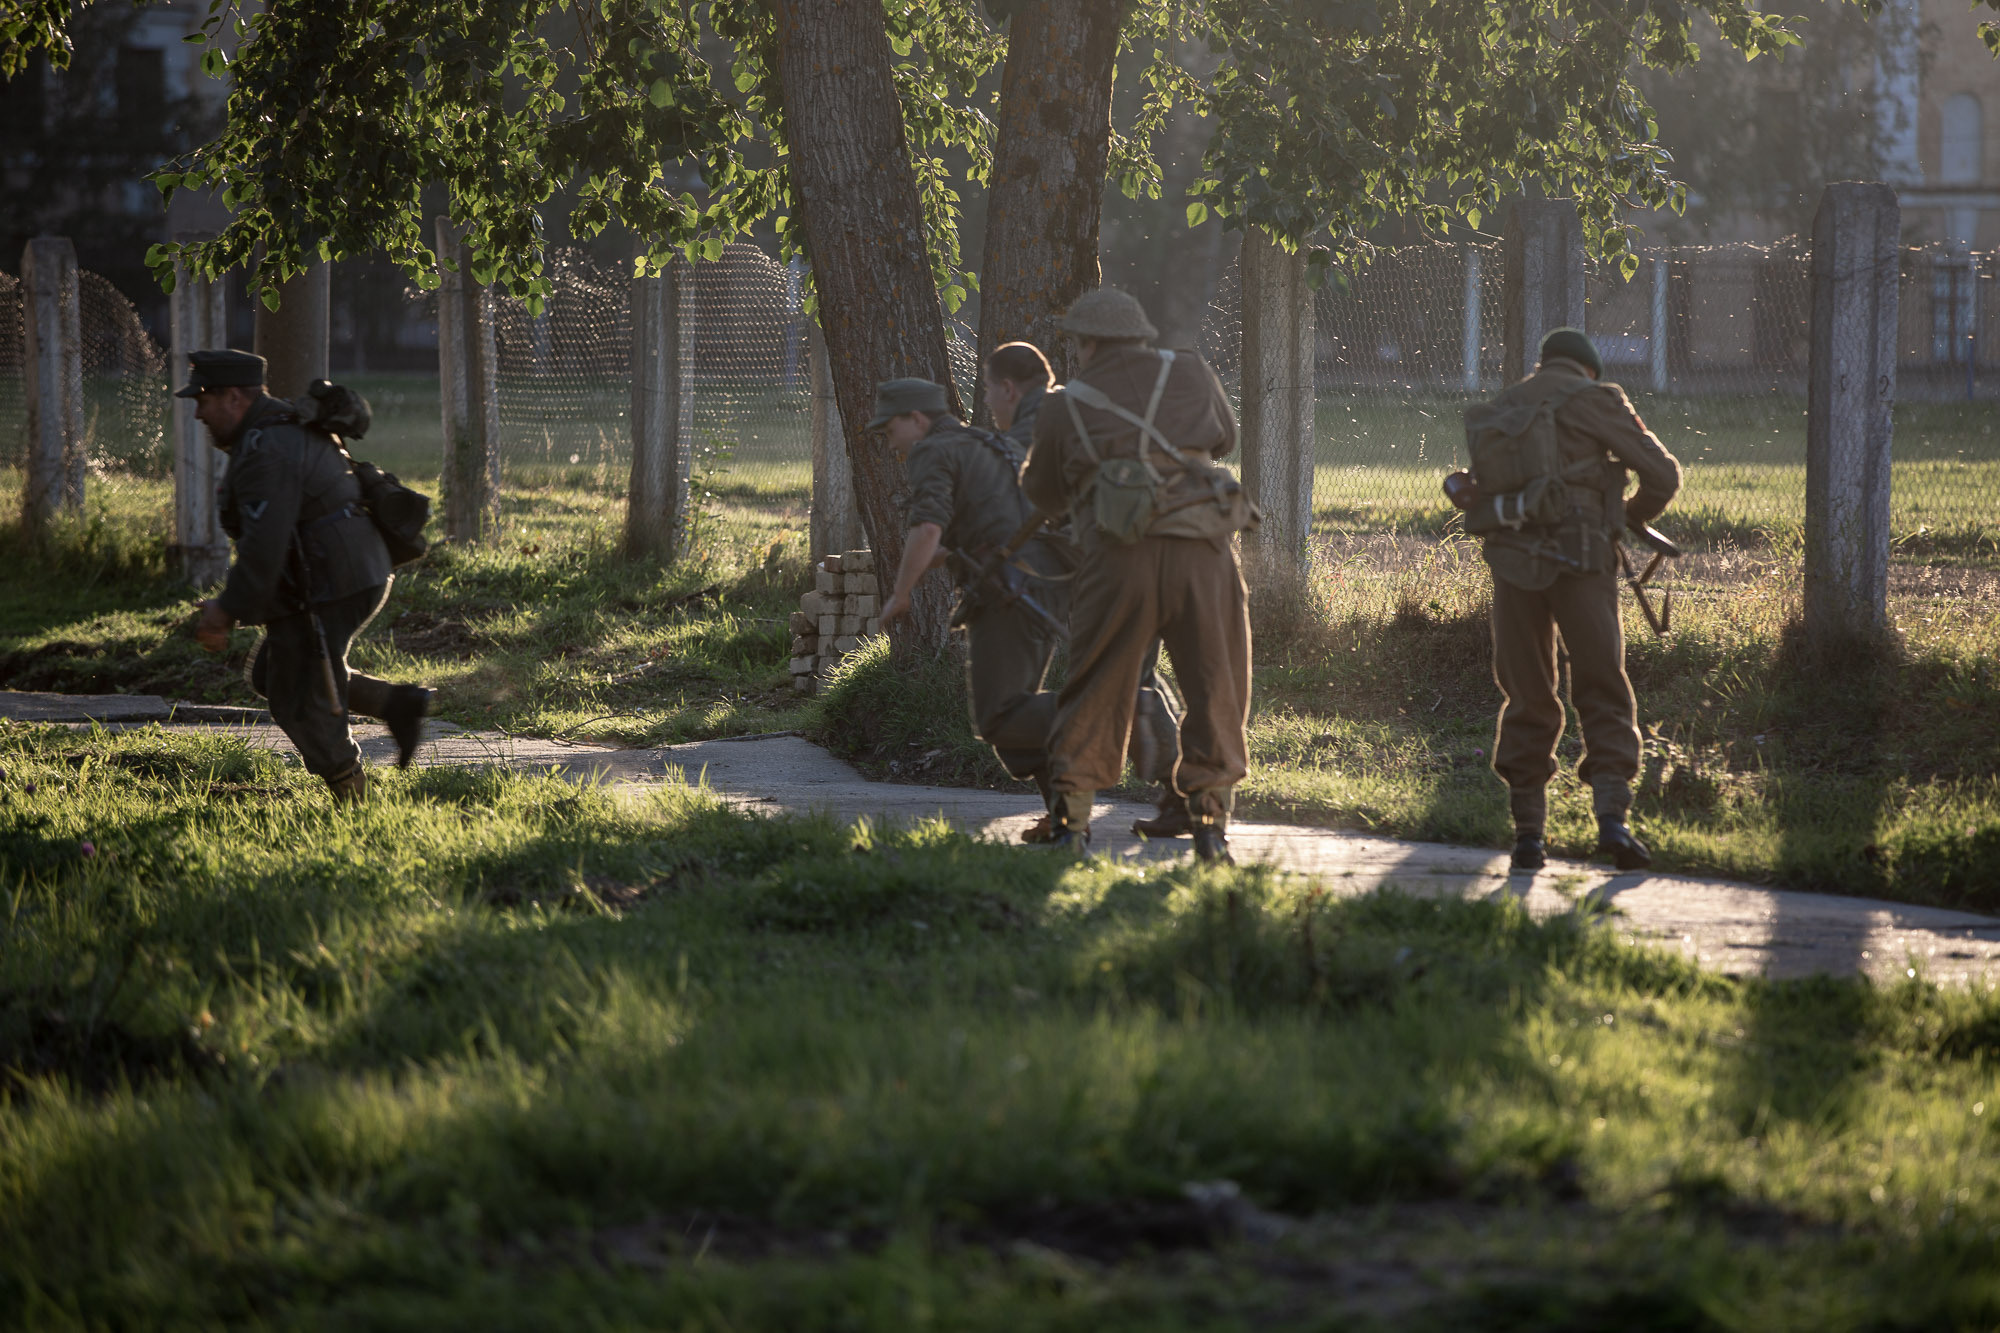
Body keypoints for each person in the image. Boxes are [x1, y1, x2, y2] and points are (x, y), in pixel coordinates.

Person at [1020, 289, 1254, 862]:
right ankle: (1210, 826)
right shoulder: (1190, 371)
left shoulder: (1064, 405)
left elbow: (1043, 492)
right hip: (1203, 551)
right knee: (1216, 682)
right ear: (1141, 336)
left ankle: (1072, 826)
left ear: (1088, 343)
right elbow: (1225, 438)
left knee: (1096, 681)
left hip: (1118, 556)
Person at [1448, 328, 1682, 872]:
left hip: (1512, 563)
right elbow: (1662, 475)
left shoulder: (1506, 405)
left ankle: (1528, 836)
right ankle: (1613, 821)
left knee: (1528, 694)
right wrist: (1628, 516)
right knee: (1601, 685)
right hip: (1582, 559)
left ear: (1545, 363)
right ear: (1588, 368)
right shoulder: (1597, 397)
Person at [182, 349, 432, 803]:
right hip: (346, 569)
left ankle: (353, 800)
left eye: (203, 399)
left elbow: (264, 544)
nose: (198, 413)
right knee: (271, 670)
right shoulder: (272, 428)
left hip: (334, 580)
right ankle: (398, 704)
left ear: (234, 397)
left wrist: (226, 610)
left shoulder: (268, 447)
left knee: (297, 693)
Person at [985, 342, 1185, 841]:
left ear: (1008, 388)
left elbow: (1031, 503)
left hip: (1115, 568)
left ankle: (1173, 798)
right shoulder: (1082, 406)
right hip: (1154, 555)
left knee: (1120, 689)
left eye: (988, 391)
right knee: (1135, 677)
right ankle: (1180, 797)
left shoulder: (1037, 424)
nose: (987, 403)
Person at [875, 377, 1072, 813]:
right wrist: (944, 554)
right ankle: (1064, 817)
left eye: (891, 430)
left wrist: (900, 594)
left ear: (917, 419)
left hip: (1009, 594)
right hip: (1043, 587)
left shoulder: (932, 450)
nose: (891, 444)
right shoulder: (986, 442)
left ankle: (1111, 707)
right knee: (1012, 727)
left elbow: (928, 527)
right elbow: (993, 525)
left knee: (1000, 717)